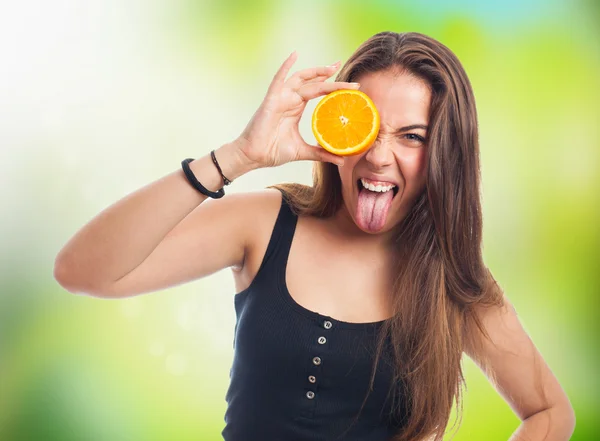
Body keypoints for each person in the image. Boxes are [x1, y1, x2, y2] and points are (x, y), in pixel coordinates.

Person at [54, 31, 575, 441]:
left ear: (445, 154)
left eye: (412, 136)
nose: (377, 156)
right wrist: (238, 157)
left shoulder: (454, 281)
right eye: (366, 127)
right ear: (338, 126)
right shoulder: (264, 224)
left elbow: (551, 411)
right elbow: (82, 271)